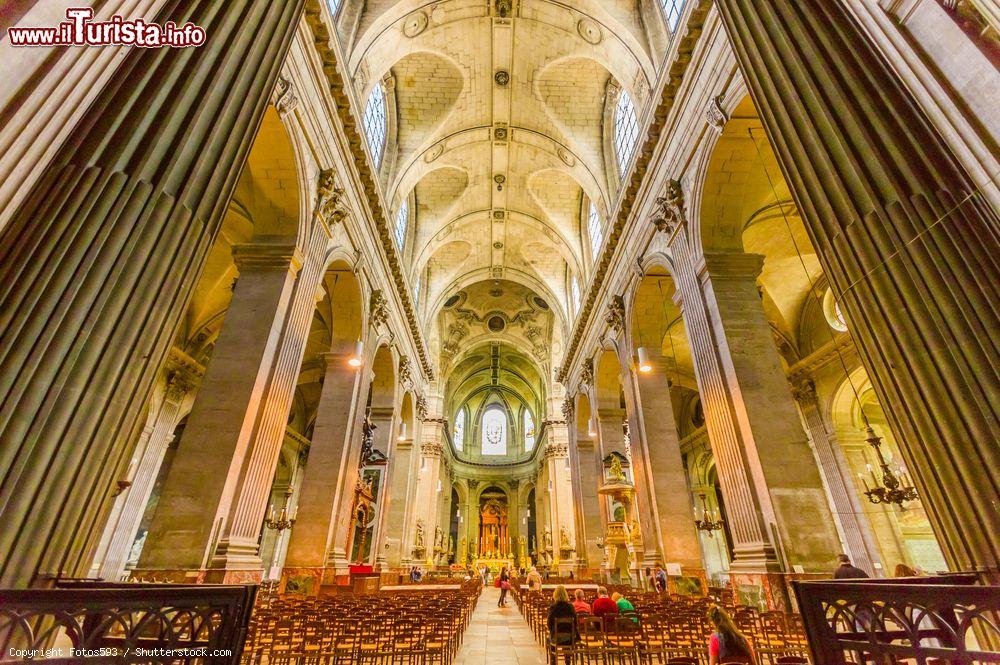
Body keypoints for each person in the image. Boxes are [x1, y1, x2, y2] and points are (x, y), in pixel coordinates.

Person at [546, 585, 578, 663]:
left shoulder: (553, 607)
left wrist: (552, 631)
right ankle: (567, 660)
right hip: (570, 637)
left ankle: (553, 660)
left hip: (556, 638)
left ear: (555, 595)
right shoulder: (570, 606)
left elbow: (549, 623)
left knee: (549, 638)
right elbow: (575, 622)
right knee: (566, 636)